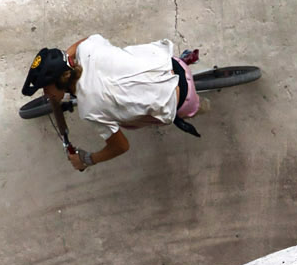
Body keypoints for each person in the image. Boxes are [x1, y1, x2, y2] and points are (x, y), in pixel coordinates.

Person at [20, 35, 202, 171]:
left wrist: (86, 160)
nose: (45, 94)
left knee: (122, 120)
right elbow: (82, 41)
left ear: (61, 80)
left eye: (46, 88)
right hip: (171, 62)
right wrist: (63, 60)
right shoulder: (87, 49)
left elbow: (121, 146)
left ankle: (201, 107)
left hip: (183, 100)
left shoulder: (89, 108)